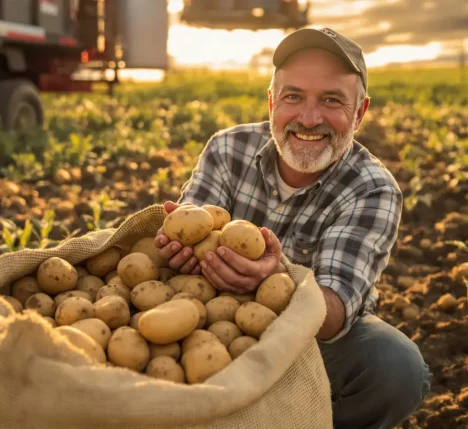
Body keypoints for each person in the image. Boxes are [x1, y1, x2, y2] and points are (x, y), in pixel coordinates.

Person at [154, 27, 432, 428]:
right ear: (271, 102)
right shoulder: (228, 149)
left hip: (309, 343)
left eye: (331, 100)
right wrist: (175, 246)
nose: (309, 118)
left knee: (395, 366)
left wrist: (278, 281)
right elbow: (190, 225)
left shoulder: (372, 189)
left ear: (360, 112)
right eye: (293, 97)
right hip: (208, 321)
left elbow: (334, 310)